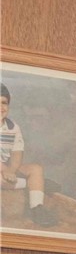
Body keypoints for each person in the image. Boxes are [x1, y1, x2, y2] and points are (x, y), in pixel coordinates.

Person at [0, 83, 54, 229]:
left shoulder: (13, 127)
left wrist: (12, 170)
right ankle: (36, 184)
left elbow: (17, 153)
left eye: (4, 103)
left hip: (6, 167)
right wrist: (5, 170)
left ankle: (37, 207)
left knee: (36, 169)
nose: (1, 107)